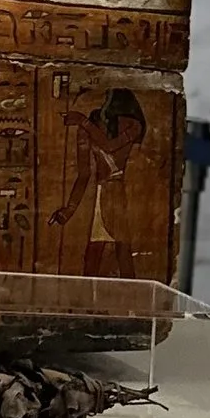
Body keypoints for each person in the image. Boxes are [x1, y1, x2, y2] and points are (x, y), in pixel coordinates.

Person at [49, 87, 147, 277]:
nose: (103, 104)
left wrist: (83, 121)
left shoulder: (132, 125)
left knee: (123, 254)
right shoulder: (89, 127)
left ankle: (133, 303)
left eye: (107, 99)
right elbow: (84, 174)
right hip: (99, 197)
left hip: (116, 195)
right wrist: (69, 210)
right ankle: (86, 305)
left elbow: (110, 146)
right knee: (92, 257)